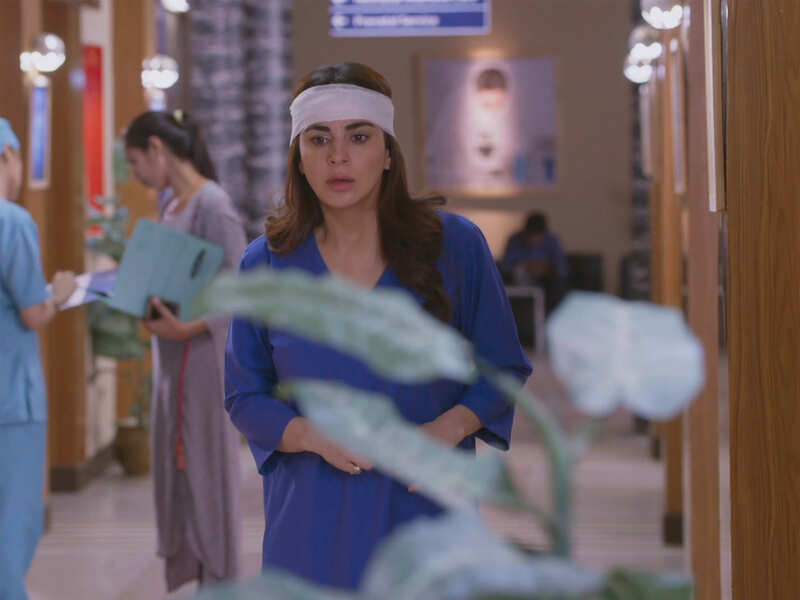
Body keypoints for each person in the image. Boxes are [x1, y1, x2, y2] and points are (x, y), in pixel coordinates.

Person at [225, 63, 532, 590]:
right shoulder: (266, 263)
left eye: (359, 136)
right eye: (319, 139)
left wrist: (445, 430)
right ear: (299, 157)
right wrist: (312, 436)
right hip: (310, 525)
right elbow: (244, 395)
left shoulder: (455, 248)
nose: (338, 156)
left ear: (388, 153)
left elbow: (501, 367)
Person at [124, 110, 246, 592]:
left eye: (135, 161)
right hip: (171, 362)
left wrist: (188, 326)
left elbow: (238, 292)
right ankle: (196, 576)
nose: (135, 174)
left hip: (202, 364)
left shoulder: (213, 205)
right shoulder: (171, 203)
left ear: (157, 149)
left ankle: (221, 581)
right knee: (178, 474)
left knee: (208, 471)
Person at [0, 117, 77, 600]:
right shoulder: (11, 222)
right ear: (7, 156)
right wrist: (61, 294)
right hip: (11, 402)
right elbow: (33, 313)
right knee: (11, 523)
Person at [500, 211, 568, 313]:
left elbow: (563, 268)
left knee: (559, 284)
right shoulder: (515, 240)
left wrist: (546, 268)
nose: (534, 239)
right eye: (531, 235)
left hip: (546, 283)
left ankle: (550, 318)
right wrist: (525, 266)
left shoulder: (552, 240)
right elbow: (505, 267)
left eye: (537, 236)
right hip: (520, 280)